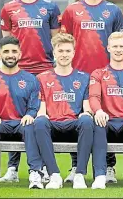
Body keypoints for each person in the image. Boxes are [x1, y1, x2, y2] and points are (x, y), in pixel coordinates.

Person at [61, 0, 123, 182]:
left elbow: (120, 44)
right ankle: (75, 166)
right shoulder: (71, 11)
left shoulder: (114, 11)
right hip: (77, 75)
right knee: (77, 118)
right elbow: (64, 42)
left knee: (105, 117)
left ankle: (109, 166)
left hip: (106, 76)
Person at [0, 0, 62, 183]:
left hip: (45, 69)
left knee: (42, 118)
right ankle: (13, 168)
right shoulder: (8, 8)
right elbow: (7, 41)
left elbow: (56, 40)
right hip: (18, 71)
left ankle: (43, 168)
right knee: (16, 116)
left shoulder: (50, 7)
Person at [0, 36, 43, 189]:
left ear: (20, 54)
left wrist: (30, 115)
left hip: (21, 123)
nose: (10, 54)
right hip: (1, 124)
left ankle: (35, 173)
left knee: (30, 127)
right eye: (6, 51)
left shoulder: (31, 79)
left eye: (14, 51)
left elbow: (34, 106)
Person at [33, 33, 94, 189]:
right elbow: (41, 109)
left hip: (74, 125)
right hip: (53, 125)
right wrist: (42, 116)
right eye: (60, 51)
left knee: (87, 120)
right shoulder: (42, 78)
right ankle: (54, 175)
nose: (64, 55)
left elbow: (87, 108)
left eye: (68, 51)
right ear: (54, 52)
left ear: (74, 53)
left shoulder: (84, 78)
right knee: (39, 121)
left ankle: (79, 175)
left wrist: (86, 113)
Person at [88, 32, 123, 189]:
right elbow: (93, 96)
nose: (118, 50)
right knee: (98, 123)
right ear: (108, 48)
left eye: (121, 46)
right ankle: (100, 176)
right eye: (115, 46)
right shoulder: (98, 73)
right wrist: (98, 111)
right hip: (107, 121)